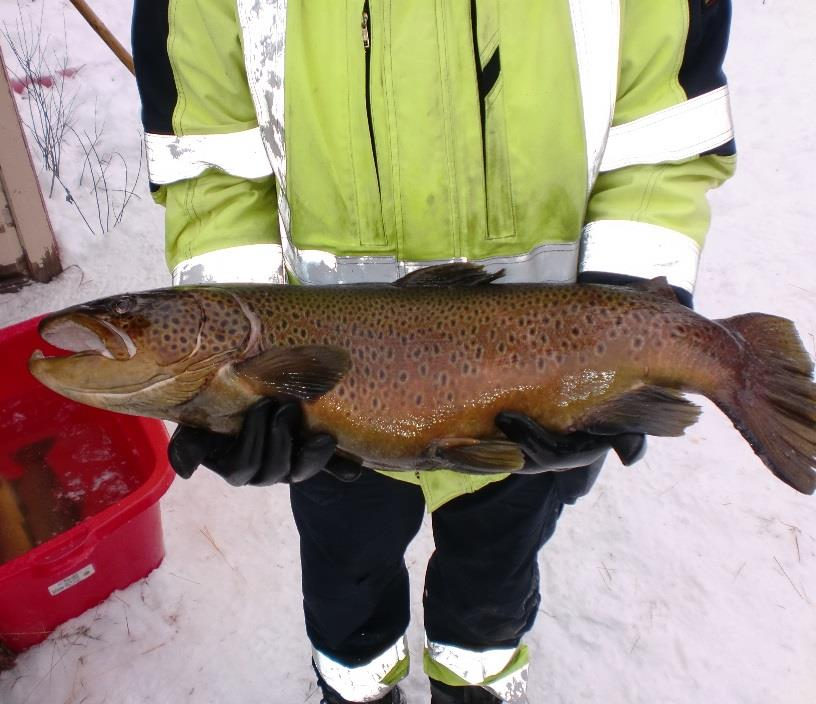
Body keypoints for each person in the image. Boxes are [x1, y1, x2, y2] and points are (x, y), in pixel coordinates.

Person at [131, 2, 735, 702]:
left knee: (493, 587)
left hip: (533, 406)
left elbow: (663, 136)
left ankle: (476, 687)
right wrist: (238, 373)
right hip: (325, 415)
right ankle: (356, 689)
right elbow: (210, 167)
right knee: (345, 585)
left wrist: (624, 316)